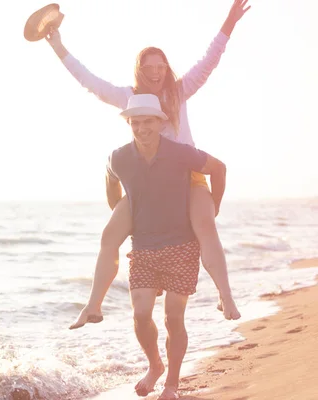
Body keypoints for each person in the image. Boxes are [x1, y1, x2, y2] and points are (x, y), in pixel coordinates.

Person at [49, 0, 250, 323]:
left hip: (187, 176)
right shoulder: (128, 98)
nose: (156, 72)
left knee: (206, 228)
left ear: (166, 69)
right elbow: (88, 81)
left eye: (160, 66)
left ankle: (226, 298)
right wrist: (59, 48)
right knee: (109, 235)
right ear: (139, 71)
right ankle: (93, 306)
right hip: (145, 183)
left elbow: (210, 59)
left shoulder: (180, 91)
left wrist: (229, 22)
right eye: (149, 67)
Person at [101, 93, 226, 399]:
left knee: (173, 317)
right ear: (129, 123)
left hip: (181, 243)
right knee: (141, 313)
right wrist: (125, 212)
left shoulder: (180, 152)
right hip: (145, 245)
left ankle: (171, 383)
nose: (141, 128)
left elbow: (219, 168)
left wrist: (214, 205)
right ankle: (154, 365)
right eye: (135, 122)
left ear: (159, 123)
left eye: (147, 122)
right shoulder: (120, 157)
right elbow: (111, 181)